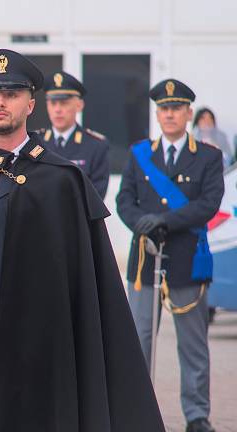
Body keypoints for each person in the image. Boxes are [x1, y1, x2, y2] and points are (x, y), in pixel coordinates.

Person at [0, 49, 164, 432]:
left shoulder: (60, 179)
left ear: (30, 103)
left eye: (12, 94)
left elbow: (83, 277)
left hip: (36, 349)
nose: (0, 102)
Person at [117, 79, 224, 432]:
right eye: (164, 108)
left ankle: (196, 415)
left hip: (187, 259)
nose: (170, 114)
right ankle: (136, 411)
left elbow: (208, 204)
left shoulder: (208, 156)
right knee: (140, 342)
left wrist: (164, 219)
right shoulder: (138, 154)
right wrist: (143, 225)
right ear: (157, 113)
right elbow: (124, 202)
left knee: (193, 346)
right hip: (146, 260)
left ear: (188, 112)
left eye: (176, 108)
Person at [39, 71, 110, 199]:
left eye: (64, 103)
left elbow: (96, 196)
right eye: (53, 103)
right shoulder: (36, 141)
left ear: (79, 105)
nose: (57, 110)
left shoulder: (95, 145)